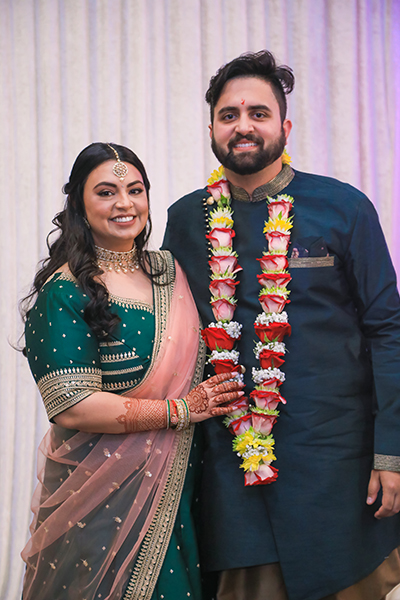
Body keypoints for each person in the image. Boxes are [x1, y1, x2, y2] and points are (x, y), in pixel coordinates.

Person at [162, 51, 400, 600]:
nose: (243, 125)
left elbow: (388, 331)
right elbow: (169, 337)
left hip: (336, 466)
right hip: (231, 472)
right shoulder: (184, 220)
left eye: (258, 113)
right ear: (212, 128)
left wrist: (391, 453)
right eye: (229, 114)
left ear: (284, 126)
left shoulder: (343, 208)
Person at [20, 142, 244, 600]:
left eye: (135, 189)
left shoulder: (168, 270)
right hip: (100, 500)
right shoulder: (64, 291)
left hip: (187, 484)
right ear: (79, 205)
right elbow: (73, 406)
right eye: (106, 192)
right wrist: (182, 409)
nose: (125, 203)